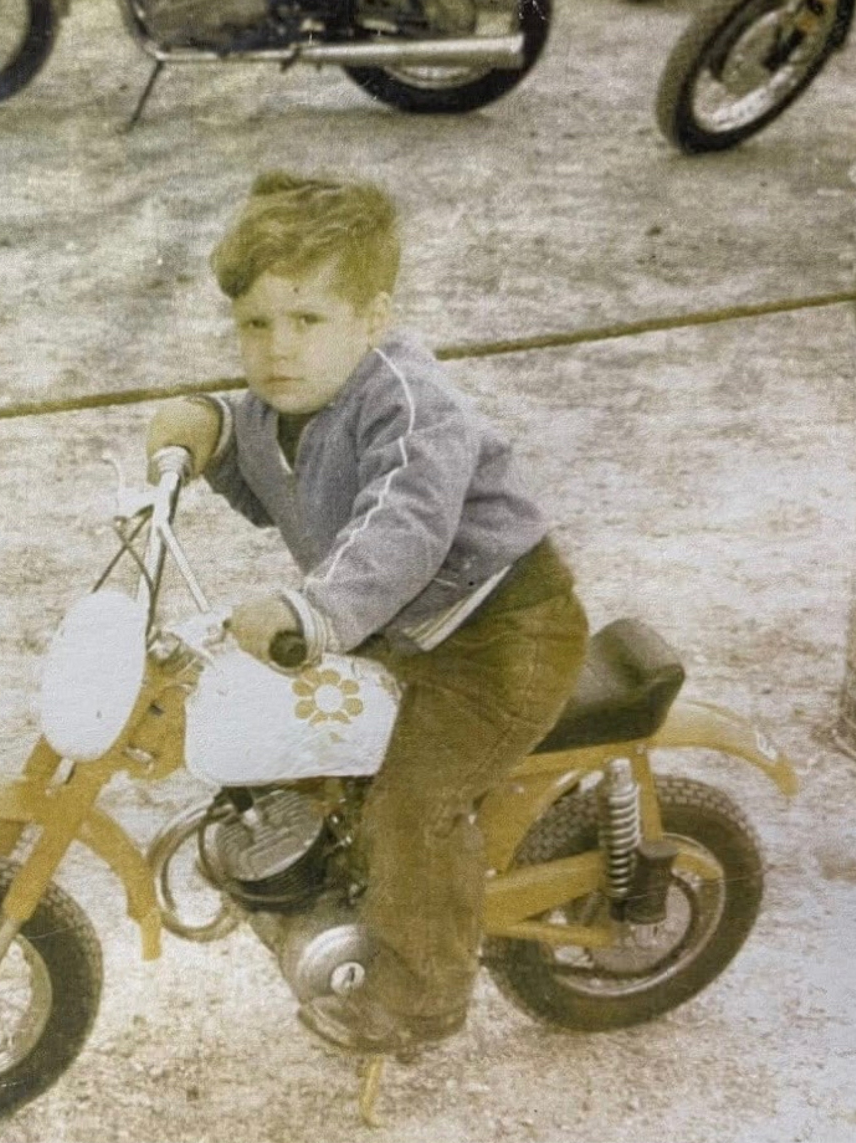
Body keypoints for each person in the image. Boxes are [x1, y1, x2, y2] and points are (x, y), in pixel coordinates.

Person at [146, 172, 590, 1054]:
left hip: (502, 641)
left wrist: (313, 610)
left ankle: (419, 997)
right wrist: (206, 429)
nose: (278, 349)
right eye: (255, 324)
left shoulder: (415, 407)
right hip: (404, 633)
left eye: (307, 320)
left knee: (410, 806)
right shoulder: (296, 394)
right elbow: (259, 442)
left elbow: (404, 524)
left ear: (374, 317)